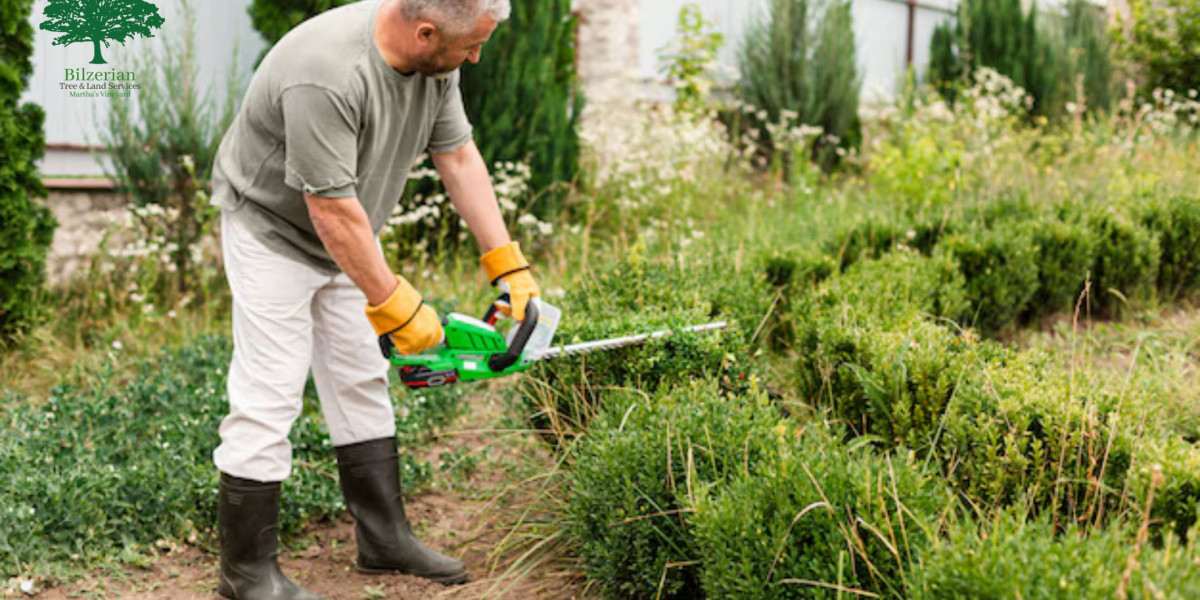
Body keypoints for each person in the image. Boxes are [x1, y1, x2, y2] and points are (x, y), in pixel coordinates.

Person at [207, 0, 539, 597]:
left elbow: (458, 156)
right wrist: (396, 305)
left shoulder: (438, 63)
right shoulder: (327, 72)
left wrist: (505, 262)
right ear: (425, 33)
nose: (477, 56)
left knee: (360, 376)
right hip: (274, 230)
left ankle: (383, 539)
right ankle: (246, 575)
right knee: (270, 391)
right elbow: (328, 211)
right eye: (471, 46)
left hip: (347, 227)